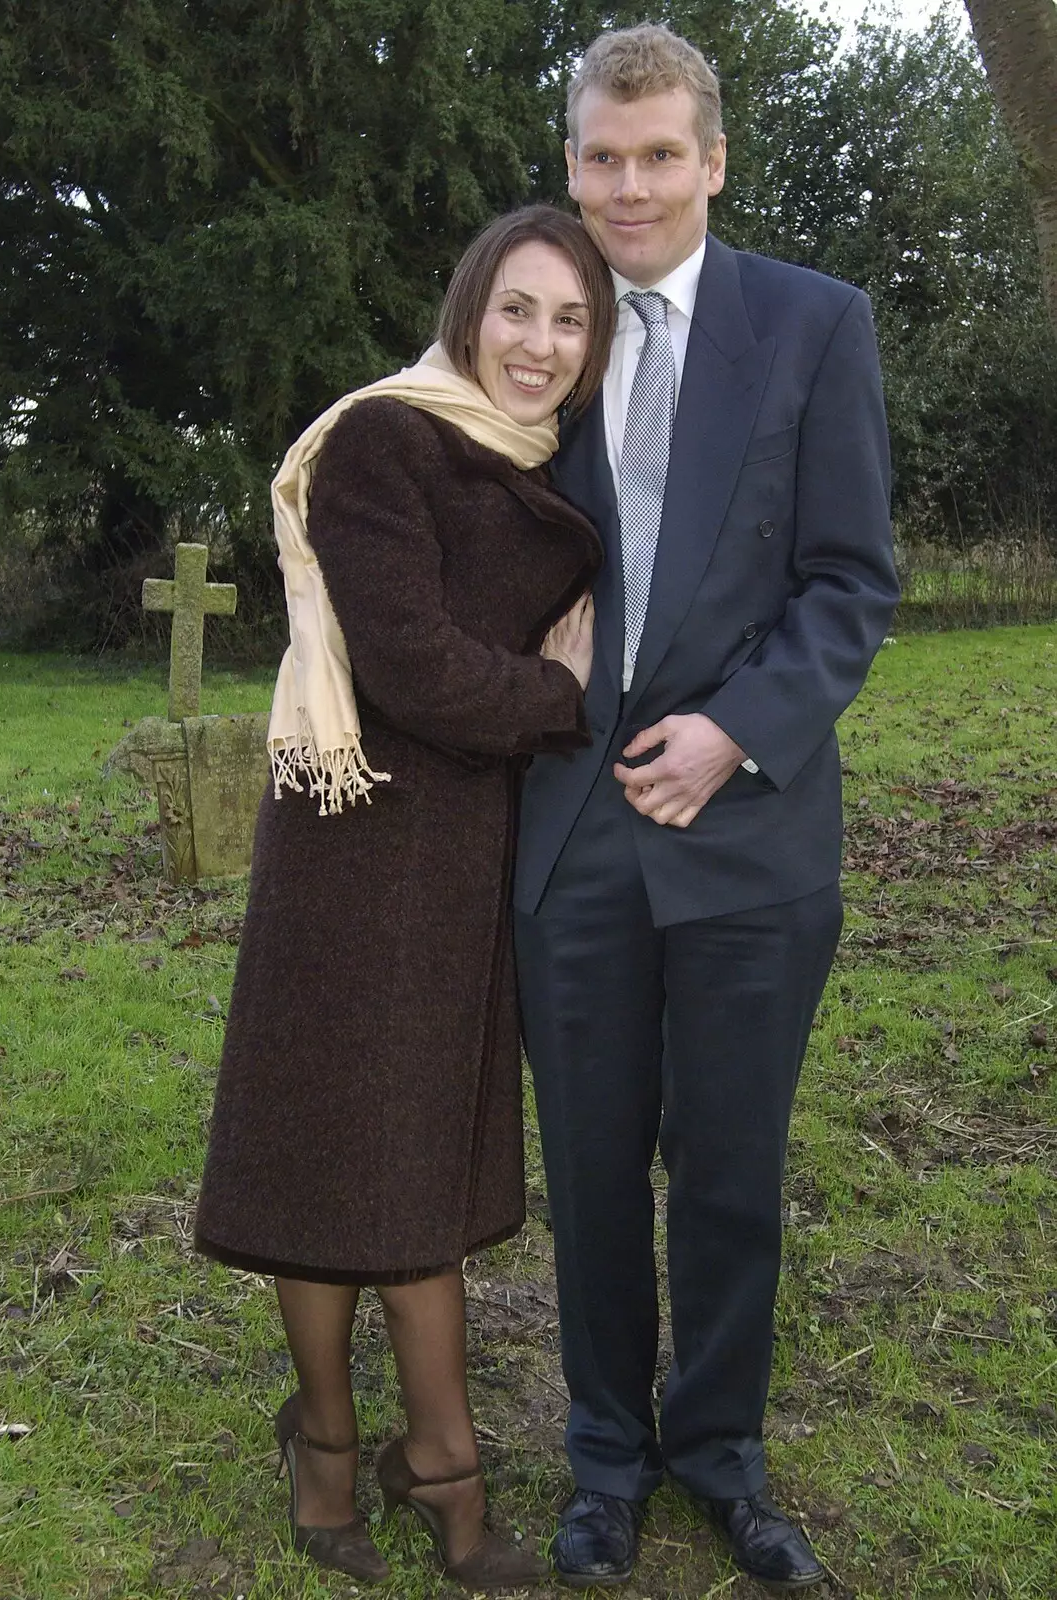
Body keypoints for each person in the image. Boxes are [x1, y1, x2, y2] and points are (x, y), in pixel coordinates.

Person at [513, 25, 900, 1592]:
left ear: (712, 161)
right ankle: (603, 1457)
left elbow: (849, 583)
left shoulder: (814, 325)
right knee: (593, 1168)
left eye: (658, 153)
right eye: (601, 157)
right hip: (572, 827)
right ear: (570, 167)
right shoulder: (531, 331)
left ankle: (718, 1452)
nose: (629, 185)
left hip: (747, 827)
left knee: (730, 1165)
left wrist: (731, 734)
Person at [194, 204, 614, 1589]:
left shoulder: (560, 467)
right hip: (352, 833)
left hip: (465, 849)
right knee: (332, 1151)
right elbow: (414, 667)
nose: (539, 344)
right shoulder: (386, 437)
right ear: (466, 309)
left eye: (570, 319)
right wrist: (554, 693)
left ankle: (377, 1446)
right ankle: (383, 1447)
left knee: (413, 1147)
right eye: (516, 309)